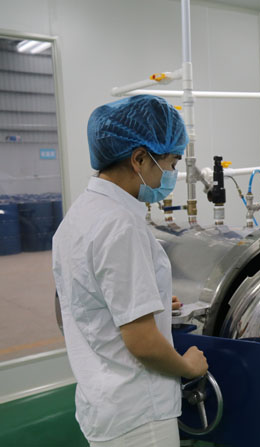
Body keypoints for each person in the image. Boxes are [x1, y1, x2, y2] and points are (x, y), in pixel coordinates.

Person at [52, 95, 208, 447]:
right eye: (170, 163)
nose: (171, 174)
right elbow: (143, 342)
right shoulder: (121, 225)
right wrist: (188, 365)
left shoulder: (78, 216)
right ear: (139, 159)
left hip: (102, 401)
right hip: (139, 414)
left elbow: (80, 303)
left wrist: (150, 300)